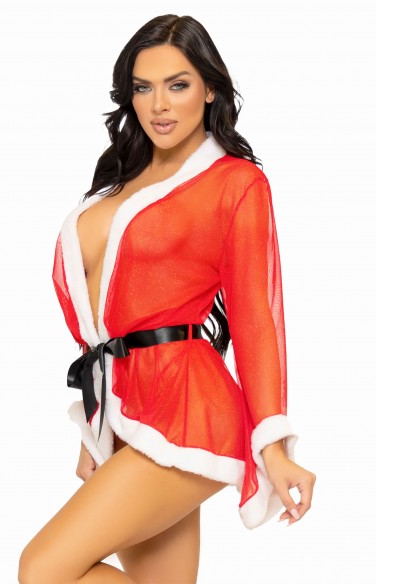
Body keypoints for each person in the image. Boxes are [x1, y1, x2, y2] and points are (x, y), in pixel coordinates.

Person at [18, 13, 316, 584]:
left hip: (189, 407)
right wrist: (96, 427)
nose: (159, 105)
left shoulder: (235, 182)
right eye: (143, 87)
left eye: (178, 85)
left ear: (210, 89)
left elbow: (256, 317)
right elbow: (100, 324)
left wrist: (273, 445)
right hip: (125, 408)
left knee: (44, 570)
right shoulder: (117, 181)